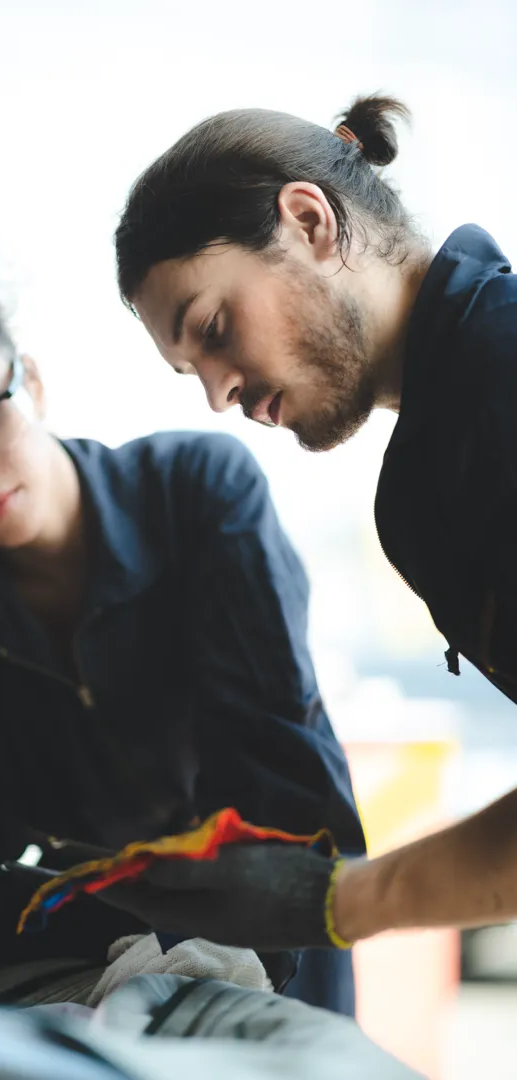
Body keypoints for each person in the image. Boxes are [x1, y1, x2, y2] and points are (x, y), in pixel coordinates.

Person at [0, 241, 365, 1013]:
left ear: (28, 379)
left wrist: (215, 934)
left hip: (284, 923)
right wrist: (124, 927)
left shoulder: (198, 496)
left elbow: (279, 777)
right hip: (106, 967)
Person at [97, 93, 517, 952]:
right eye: (191, 374)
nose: (220, 396)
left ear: (309, 222)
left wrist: (344, 900)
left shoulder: (500, 388)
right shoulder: (444, 446)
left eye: (213, 328)